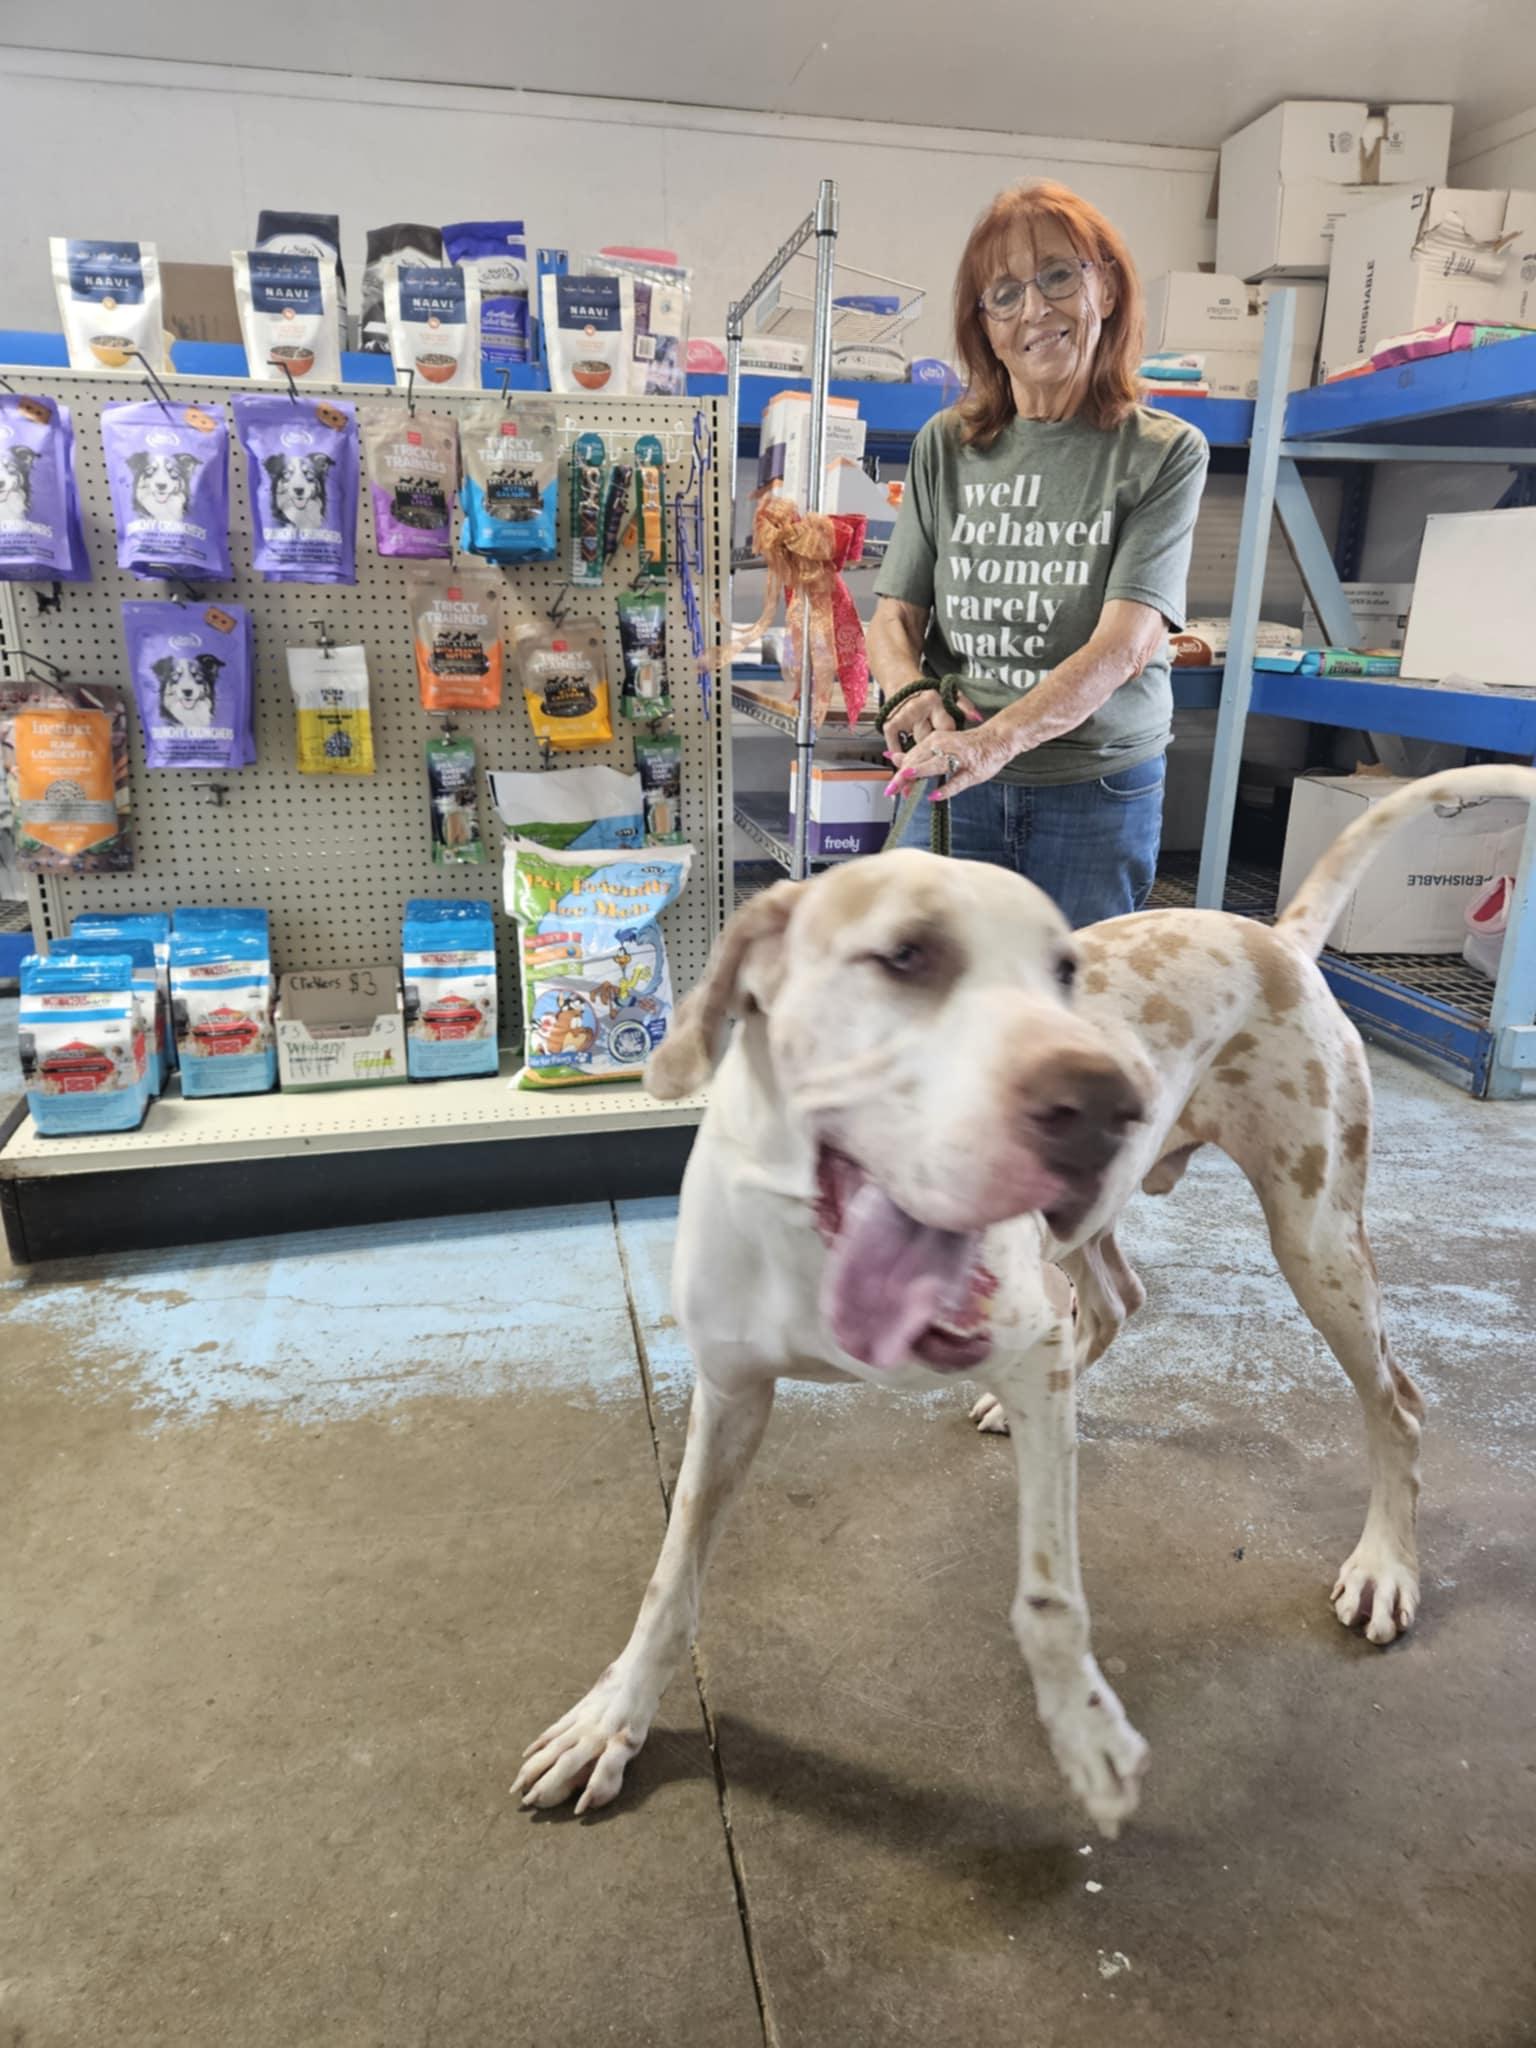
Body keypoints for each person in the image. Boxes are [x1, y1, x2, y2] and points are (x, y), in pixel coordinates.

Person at [870, 181, 1209, 926]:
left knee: (1077, 1002)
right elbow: (894, 614)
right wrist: (907, 691)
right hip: (961, 775)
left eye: (1060, 275)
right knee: (933, 994)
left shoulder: (1163, 453)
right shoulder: (946, 446)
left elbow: (1125, 647)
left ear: (1109, 288)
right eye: (1004, 293)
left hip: (1093, 787)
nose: (1035, 310)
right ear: (983, 326)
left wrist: (997, 741)